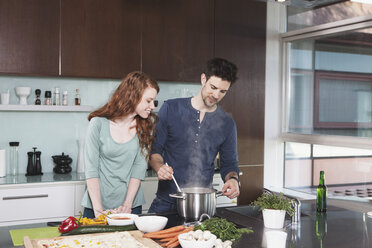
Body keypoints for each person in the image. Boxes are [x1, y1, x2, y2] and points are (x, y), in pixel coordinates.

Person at [148, 58, 240, 213]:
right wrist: (159, 168)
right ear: (203, 79)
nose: (216, 95)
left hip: (202, 206)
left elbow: (229, 164)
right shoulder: (171, 108)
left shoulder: (227, 123)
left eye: (223, 91)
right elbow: (155, 151)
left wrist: (233, 179)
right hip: (166, 202)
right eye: (213, 87)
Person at [81, 71, 159, 218]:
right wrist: (98, 211)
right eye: (148, 101)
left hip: (130, 206)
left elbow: (138, 170)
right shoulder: (98, 124)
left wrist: (127, 206)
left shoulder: (145, 128)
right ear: (133, 97)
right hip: (96, 206)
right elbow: (91, 170)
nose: (152, 106)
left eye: (153, 101)